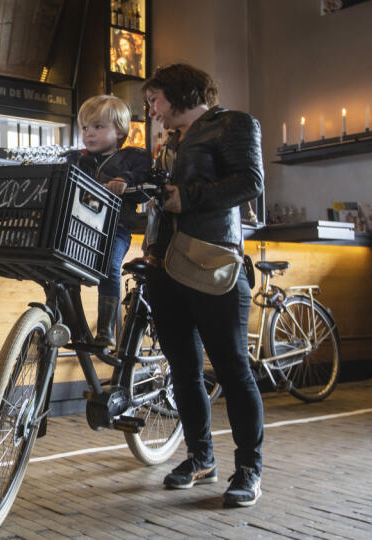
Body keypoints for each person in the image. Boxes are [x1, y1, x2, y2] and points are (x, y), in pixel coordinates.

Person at [140, 63, 265, 506]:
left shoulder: (232, 123)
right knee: (183, 372)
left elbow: (249, 183)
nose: (151, 110)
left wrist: (184, 198)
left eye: (155, 100)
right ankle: (201, 458)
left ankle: (248, 469)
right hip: (164, 266)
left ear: (178, 93)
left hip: (212, 262)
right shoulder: (169, 143)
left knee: (233, 369)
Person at [64, 95, 150, 348]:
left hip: (116, 227)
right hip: (80, 226)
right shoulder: (77, 159)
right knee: (63, 268)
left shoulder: (133, 159)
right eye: (85, 127)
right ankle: (72, 325)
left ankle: (106, 330)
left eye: (98, 127)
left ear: (121, 132)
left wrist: (125, 182)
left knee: (110, 267)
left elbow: (144, 183)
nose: (89, 133)